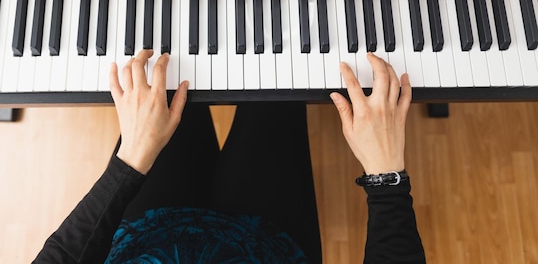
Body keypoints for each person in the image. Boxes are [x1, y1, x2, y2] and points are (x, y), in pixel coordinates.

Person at [32, 50, 425, 264]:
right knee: (279, 76)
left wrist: (132, 156)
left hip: (146, 232)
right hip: (268, 242)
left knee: (171, 69)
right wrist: (385, 175)